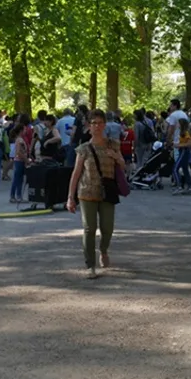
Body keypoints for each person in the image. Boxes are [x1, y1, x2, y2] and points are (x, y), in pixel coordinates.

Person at [66, 110, 125, 279]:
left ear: (105, 125)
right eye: (94, 123)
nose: (97, 126)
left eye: (100, 123)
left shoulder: (114, 144)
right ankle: (90, 264)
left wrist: (116, 157)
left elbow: (123, 165)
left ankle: (104, 250)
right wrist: (70, 197)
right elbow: (76, 173)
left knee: (107, 228)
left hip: (108, 192)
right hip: (87, 192)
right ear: (89, 126)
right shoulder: (83, 149)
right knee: (89, 228)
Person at [9, 125, 28, 204]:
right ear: (21, 130)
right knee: (17, 179)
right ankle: (15, 196)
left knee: (19, 179)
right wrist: (26, 159)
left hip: (19, 160)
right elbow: (19, 151)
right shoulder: (20, 140)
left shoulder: (18, 139)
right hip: (20, 161)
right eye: (24, 129)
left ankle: (17, 195)